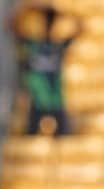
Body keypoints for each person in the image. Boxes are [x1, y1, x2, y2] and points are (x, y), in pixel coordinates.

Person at [9, 1, 81, 136]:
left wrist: (63, 13)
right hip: (37, 99)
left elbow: (80, 28)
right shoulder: (32, 46)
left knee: (64, 139)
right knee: (30, 141)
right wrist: (28, 10)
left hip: (56, 100)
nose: (47, 27)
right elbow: (12, 26)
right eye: (45, 23)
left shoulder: (57, 47)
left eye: (50, 23)